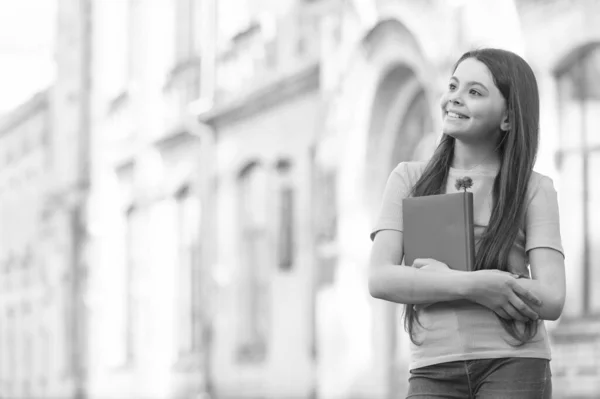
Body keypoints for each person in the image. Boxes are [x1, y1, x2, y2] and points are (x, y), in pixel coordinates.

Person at [368, 48, 565, 399]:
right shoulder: (408, 178)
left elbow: (551, 298)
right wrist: (473, 286)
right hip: (432, 366)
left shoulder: (534, 188)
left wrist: (472, 282)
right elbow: (380, 278)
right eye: (454, 86)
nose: (454, 99)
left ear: (507, 117)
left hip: (515, 362)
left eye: (474, 92)